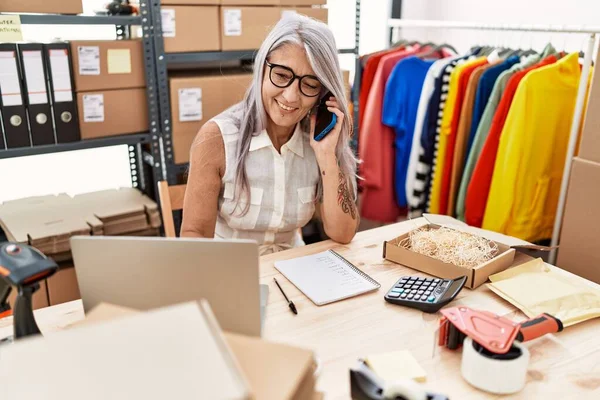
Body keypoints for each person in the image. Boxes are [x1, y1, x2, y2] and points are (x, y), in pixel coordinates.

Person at [181, 14, 359, 255]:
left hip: (294, 271)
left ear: (324, 93)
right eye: (282, 76)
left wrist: (328, 155)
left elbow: (343, 233)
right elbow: (195, 235)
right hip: (232, 269)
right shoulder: (216, 138)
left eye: (310, 84)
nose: (291, 97)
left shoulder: (318, 140)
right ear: (263, 68)